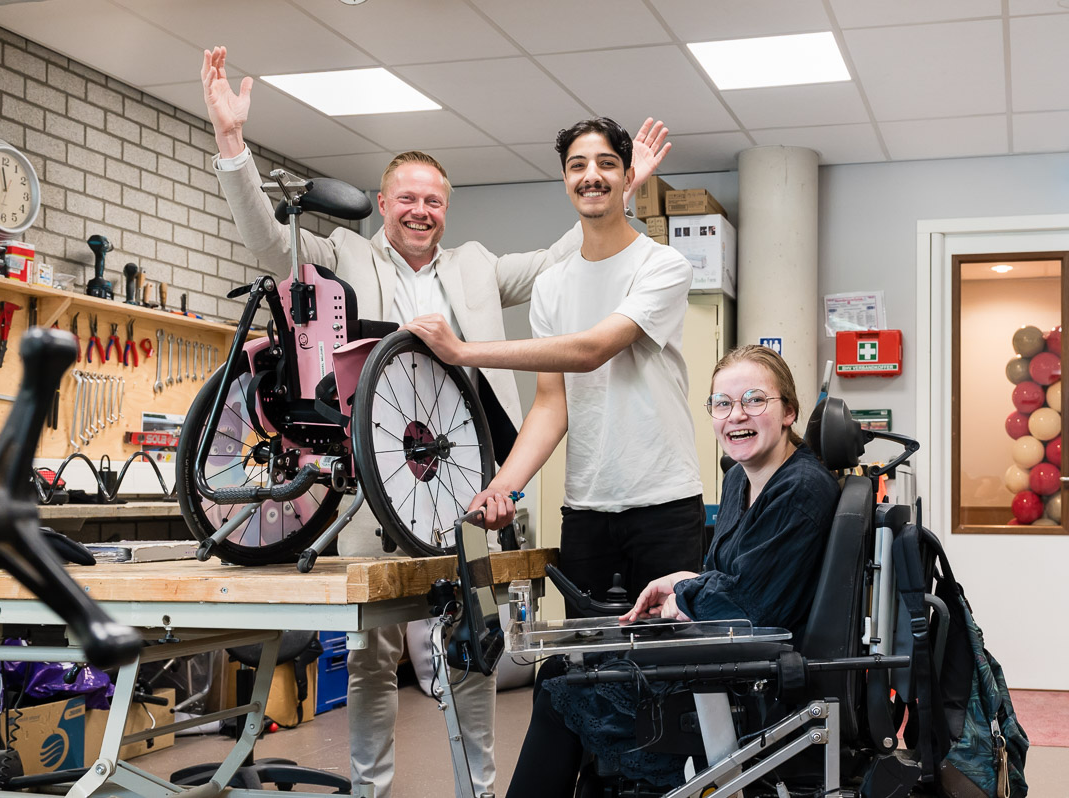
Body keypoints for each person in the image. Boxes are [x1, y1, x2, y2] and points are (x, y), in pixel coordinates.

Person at [200, 47, 671, 798]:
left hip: (463, 489)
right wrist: (232, 144)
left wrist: (623, 187)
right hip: (368, 488)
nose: (421, 210)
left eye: (434, 201)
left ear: (445, 210)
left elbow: (563, 257)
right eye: (407, 198)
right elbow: (265, 241)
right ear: (384, 204)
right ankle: (372, 790)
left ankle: (479, 791)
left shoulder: (478, 266)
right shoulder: (342, 255)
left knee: (472, 652)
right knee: (370, 658)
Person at [503, 345, 841, 796]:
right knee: (562, 673)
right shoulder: (740, 478)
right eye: (723, 404)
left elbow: (748, 606)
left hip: (758, 682)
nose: (736, 415)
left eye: (755, 400)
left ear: (788, 413)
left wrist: (684, 590)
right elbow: (727, 578)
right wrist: (683, 583)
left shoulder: (799, 490)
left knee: (565, 685)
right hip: (732, 657)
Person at [405, 117, 706, 612]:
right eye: (578, 166)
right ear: (566, 181)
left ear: (628, 177)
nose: (592, 175)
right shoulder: (551, 285)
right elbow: (551, 404)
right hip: (586, 510)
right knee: (585, 667)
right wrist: (503, 486)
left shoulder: (663, 265)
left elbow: (590, 351)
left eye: (607, 164)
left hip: (665, 505)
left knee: (663, 666)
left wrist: (463, 351)